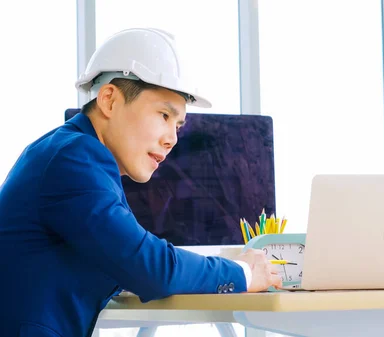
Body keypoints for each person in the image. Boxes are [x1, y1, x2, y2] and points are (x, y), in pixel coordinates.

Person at [0, 28, 281, 337]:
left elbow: (131, 259)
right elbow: (150, 266)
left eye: (178, 125)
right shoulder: (74, 159)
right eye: (163, 115)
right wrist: (242, 273)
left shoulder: (75, 155)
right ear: (108, 100)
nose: (172, 139)